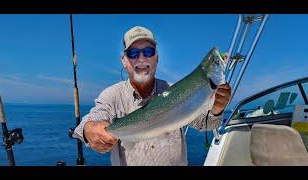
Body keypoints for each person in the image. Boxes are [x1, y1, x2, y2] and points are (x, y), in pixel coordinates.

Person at [73, 26, 231, 166]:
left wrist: (217, 108)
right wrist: (89, 129)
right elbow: (90, 121)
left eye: (148, 52)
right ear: (124, 61)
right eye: (133, 53)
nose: (141, 59)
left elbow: (207, 124)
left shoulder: (176, 91)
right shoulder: (112, 96)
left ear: (156, 57)